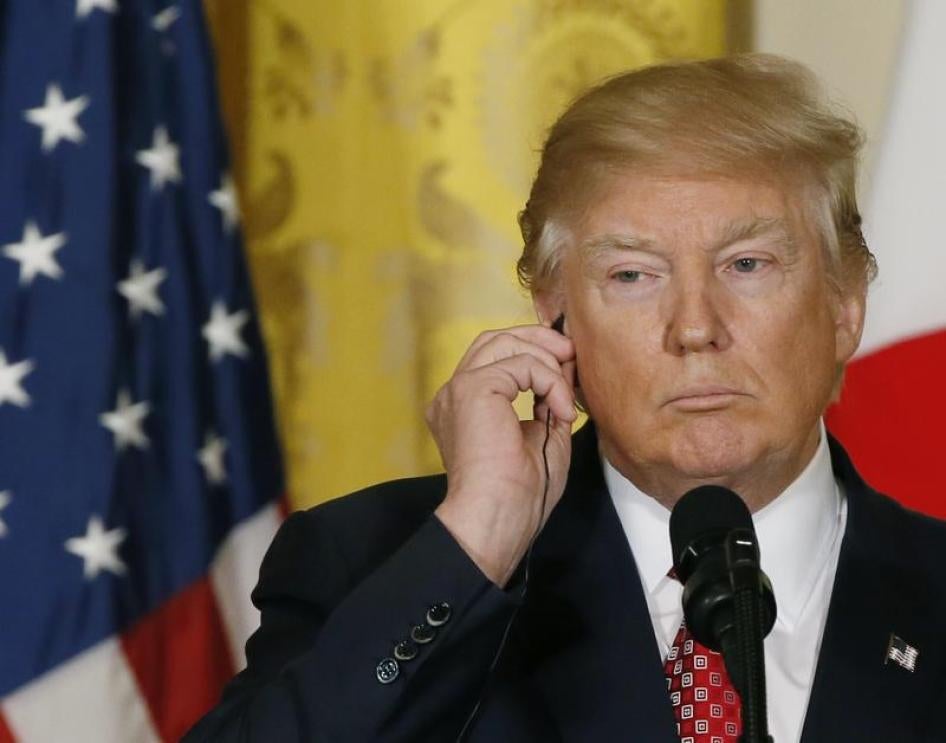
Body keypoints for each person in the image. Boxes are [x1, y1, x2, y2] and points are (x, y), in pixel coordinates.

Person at [185, 54, 946, 742]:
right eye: (632, 275)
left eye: (746, 264)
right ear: (557, 318)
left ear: (845, 305)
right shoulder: (381, 567)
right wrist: (478, 541)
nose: (694, 327)